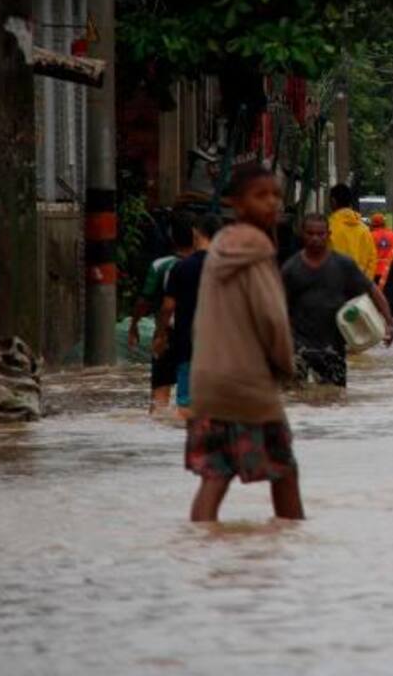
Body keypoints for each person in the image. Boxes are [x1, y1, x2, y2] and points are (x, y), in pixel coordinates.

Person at [185, 166, 301, 522]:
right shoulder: (258, 249)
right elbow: (272, 319)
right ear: (236, 204)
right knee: (283, 471)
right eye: (261, 195)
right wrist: (286, 367)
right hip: (248, 383)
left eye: (276, 195)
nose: (272, 204)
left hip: (206, 383)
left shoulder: (217, 249)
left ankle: (202, 547)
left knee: (215, 475)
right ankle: (294, 550)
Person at [282, 214, 393, 390]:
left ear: (328, 235)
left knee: (335, 397)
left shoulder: (343, 264)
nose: (315, 238)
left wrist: (389, 323)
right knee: (296, 398)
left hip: (333, 348)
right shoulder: (290, 268)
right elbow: (277, 306)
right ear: (301, 234)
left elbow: (372, 290)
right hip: (299, 347)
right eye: (310, 233)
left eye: (320, 234)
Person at [155, 212, 222, 414]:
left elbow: (167, 308)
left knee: (186, 409)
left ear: (196, 233)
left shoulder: (182, 268)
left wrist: (161, 334)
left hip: (189, 347)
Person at [129, 210, 194, 414]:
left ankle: (158, 440)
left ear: (171, 236)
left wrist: (134, 325)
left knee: (159, 396)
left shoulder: (161, 266)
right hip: (196, 336)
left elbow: (144, 301)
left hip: (166, 334)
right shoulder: (206, 265)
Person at [327, 184, 377, 281]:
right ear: (350, 203)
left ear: (333, 201)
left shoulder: (327, 228)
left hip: (334, 288)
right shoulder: (364, 230)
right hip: (359, 288)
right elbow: (372, 259)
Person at [369, 213, 393, 286]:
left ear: (372, 224)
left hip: (374, 272)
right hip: (390, 271)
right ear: (384, 223)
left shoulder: (369, 236)